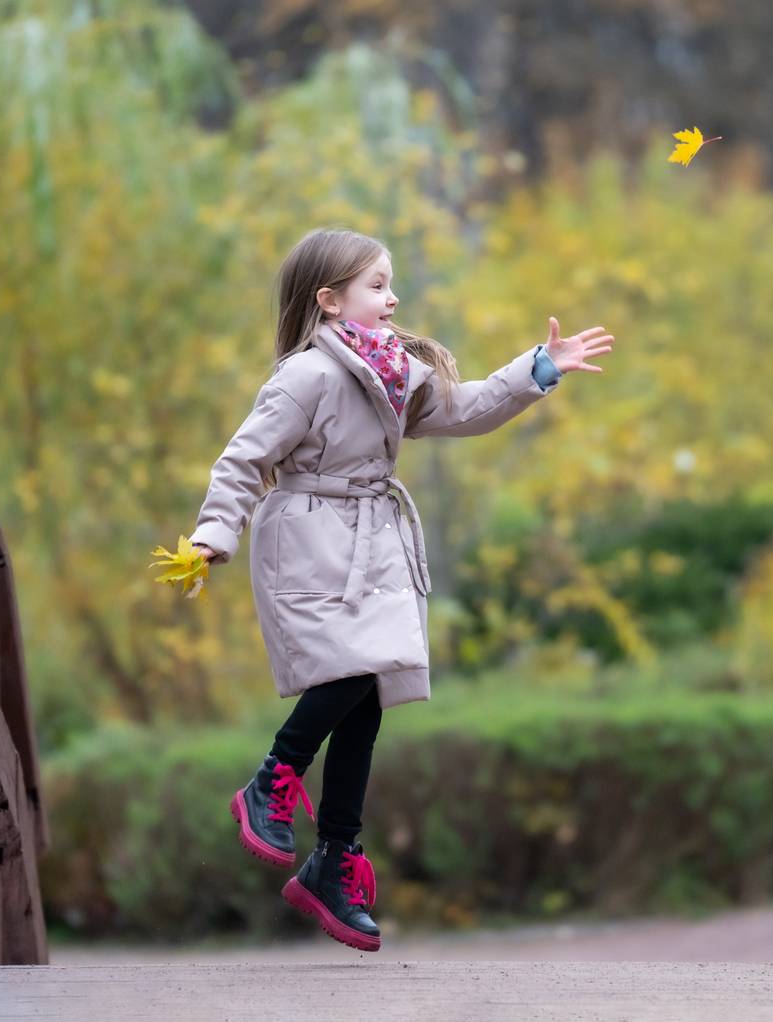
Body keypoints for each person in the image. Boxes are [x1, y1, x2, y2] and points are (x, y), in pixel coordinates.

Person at [187, 226, 614, 952]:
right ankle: (274, 778)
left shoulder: (392, 370)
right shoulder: (306, 376)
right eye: (377, 286)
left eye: (390, 284)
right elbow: (243, 459)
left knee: (366, 695)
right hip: (311, 540)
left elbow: (465, 408)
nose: (393, 298)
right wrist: (214, 533)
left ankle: (334, 858)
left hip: (371, 538)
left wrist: (538, 367)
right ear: (329, 301)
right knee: (352, 672)